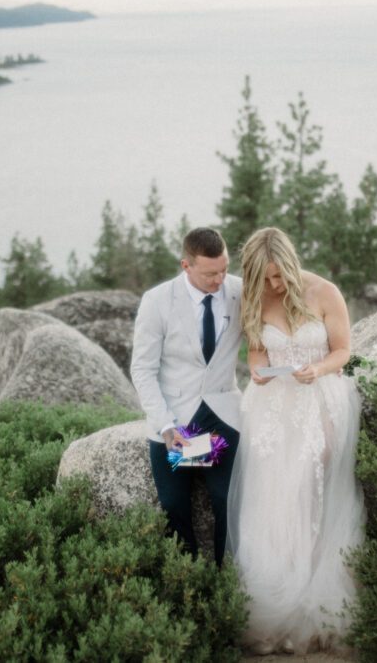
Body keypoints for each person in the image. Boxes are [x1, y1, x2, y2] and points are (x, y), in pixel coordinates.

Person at [227, 226, 365, 655]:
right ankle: (272, 608)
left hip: (318, 399)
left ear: (290, 262)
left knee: (312, 491)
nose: (273, 285)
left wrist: (318, 369)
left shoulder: (325, 293)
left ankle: (311, 609)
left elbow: (343, 350)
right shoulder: (254, 297)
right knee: (271, 500)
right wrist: (258, 369)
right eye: (264, 278)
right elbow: (255, 352)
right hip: (271, 409)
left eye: (277, 275)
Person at [130, 227, 244, 564]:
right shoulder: (157, 301)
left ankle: (229, 585)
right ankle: (189, 584)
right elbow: (143, 370)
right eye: (210, 273)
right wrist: (165, 425)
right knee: (175, 509)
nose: (220, 279)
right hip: (178, 423)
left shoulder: (240, 290)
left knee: (229, 501)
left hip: (223, 417)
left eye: (224, 269)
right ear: (186, 266)